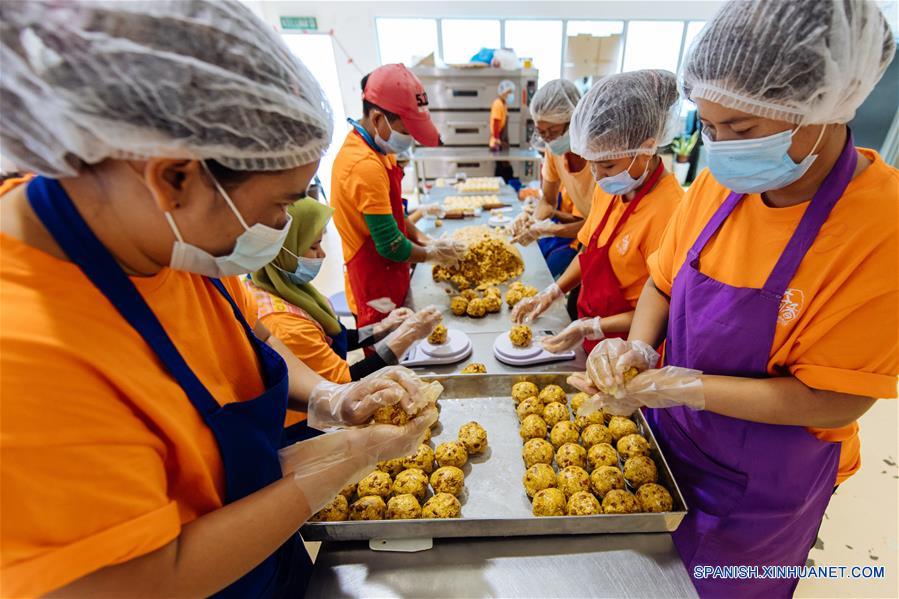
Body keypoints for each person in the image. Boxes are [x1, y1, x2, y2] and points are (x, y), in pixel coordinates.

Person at [0, 2, 436, 596]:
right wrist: (344, 459)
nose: (284, 225)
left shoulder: (167, 238)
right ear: (173, 178)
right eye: (279, 204)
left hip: (267, 557)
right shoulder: (26, 355)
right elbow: (143, 580)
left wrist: (334, 398)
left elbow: (255, 337)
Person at [569, 1, 897, 596]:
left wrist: (684, 386)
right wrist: (638, 351)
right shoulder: (720, 183)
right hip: (672, 446)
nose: (719, 149)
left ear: (820, 110)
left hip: (763, 488)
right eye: (709, 128)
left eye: (741, 131)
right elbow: (663, 281)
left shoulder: (881, 228)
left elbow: (834, 401)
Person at [512, 70, 684, 354]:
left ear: (647, 148)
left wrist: (594, 326)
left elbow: (663, 307)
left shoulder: (670, 210)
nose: (598, 176)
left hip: (632, 346)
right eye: (593, 164)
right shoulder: (612, 187)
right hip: (596, 328)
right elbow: (590, 250)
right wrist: (555, 291)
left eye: (606, 166)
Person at [245, 197, 442, 414]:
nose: (322, 254)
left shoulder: (281, 287)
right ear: (282, 250)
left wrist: (383, 327)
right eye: (313, 246)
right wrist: (408, 336)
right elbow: (347, 384)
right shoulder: (283, 324)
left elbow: (334, 338)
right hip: (308, 422)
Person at [331, 64, 465, 328]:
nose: (409, 140)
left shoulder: (380, 151)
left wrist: (424, 238)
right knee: (388, 354)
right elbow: (391, 245)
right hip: (374, 282)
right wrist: (433, 254)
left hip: (392, 273)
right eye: (406, 131)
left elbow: (393, 215)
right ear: (378, 119)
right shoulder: (364, 165)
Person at [511, 79, 593, 277]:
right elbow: (547, 200)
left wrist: (549, 229)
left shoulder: (598, 158)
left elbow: (597, 225)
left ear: (575, 121)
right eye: (541, 132)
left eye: (554, 132)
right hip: (587, 232)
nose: (548, 139)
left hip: (603, 235)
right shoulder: (553, 151)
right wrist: (531, 220)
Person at [489, 79, 516, 182]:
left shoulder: (503, 104)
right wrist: (496, 139)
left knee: (503, 167)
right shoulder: (498, 104)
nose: (511, 95)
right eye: (509, 92)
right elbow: (496, 121)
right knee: (503, 169)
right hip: (498, 140)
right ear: (503, 92)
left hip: (502, 140)